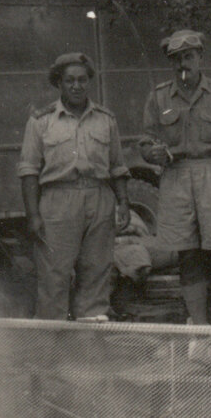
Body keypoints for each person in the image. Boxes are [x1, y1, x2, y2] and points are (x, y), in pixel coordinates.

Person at [139, 30, 211, 326]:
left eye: (188, 57)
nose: (182, 65)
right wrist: (152, 154)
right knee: (187, 257)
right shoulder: (159, 97)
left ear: (201, 57)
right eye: (175, 60)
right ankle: (200, 328)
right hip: (175, 178)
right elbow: (145, 141)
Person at [18, 53, 130, 321]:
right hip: (58, 200)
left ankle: (87, 353)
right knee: (53, 276)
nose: (77, 86)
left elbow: (117, 166)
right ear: (59, 83)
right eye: (70, 80)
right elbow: (29, 170)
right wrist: (33, 215)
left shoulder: (106, 119)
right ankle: (50, 353)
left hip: (99, 197)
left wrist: (124, 202)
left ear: (89, 82)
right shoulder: (41, 120)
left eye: (82, 80)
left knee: (96, 273)